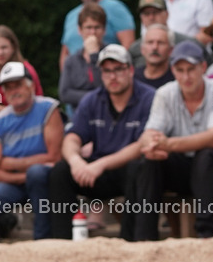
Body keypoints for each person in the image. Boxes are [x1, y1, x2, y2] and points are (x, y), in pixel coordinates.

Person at [130, 41, 213, 240]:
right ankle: (144, 237)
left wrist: (168, 144)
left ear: (203, 67)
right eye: (180, 70)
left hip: (212, 168)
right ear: (173, 70)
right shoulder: (165, 93)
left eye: (191, 69)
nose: (186, 77)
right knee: (149, 161)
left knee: (206, 156)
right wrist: (151, 144)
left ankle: (207, 233)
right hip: (180, 166)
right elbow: (150, 133)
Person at [48, 45, 155, 239]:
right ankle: (62, 241)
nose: (112, 76)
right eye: (106, 71)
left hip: (127, 169)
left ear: (131, 70)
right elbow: (72, 137)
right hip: (96, 172)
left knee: (140, 168)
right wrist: (75, 161)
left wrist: (100, 165)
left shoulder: (149, 98)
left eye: (118, 69)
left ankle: (132, 241)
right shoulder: (92, 100)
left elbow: (143, 144)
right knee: (61, 171)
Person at [0, 62, 63, 240]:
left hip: (45, 180)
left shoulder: (49, 109)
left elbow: (55, 157)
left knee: (37, 174)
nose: (13, 91)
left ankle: (43, 241)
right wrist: (25, 176)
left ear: (31, 86)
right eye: (8, 87)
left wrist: (10, 163)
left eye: (18, 85)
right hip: (14, 182)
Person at [58, 0, 135, 69]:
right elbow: (65, 52)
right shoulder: (71, 16)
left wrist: (116, 71)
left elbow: (128, 46)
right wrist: (65, 75)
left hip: (105, 72)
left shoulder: (116, 8)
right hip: (76, 75)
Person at [0, 25, 44, 111]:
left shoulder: (25, 70)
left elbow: (24, 109)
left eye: (4, 47)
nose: (0, 53)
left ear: (13, 47)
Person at [128, 0, 204, 69]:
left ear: (167, 14)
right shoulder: (134, 49)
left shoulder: (189, 43)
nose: (151, 17)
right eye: (146, 13)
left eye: (155, 12)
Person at [58, 2, 107, 113]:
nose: (93, 32)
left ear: (104, 30)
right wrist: (94, 97)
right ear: (80, 30)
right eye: (88, 27)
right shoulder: (71, 60)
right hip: (80, 115)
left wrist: (94, 56)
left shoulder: (112, 55)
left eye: (97, 27)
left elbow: (108, 90)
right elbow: (64, 94)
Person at [134, 24, 175, 89]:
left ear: (171, 50)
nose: (155, 47)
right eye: (150, 42)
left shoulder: (177, 79)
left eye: (160, 42)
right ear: (142, 49)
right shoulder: (132, 78)